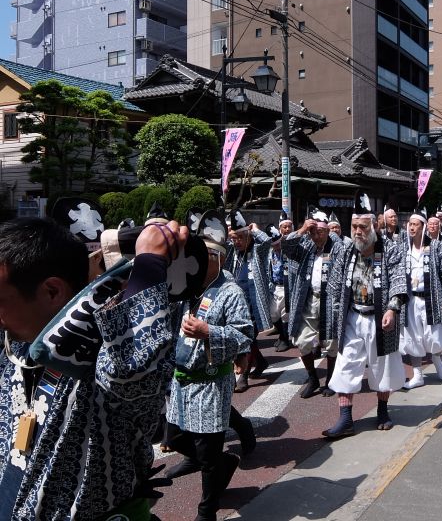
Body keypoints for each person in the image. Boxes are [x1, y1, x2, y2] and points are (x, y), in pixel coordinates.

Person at [0, 217, 187, 520]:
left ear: (52, 291)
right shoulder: (15, 346)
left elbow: (133, 369)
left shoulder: (103, 352)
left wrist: (149, 264)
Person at [163, 211, 253, 521]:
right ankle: (218, 462)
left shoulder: (230, 292)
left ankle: (207, 511)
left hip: (211, 383)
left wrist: (208, 332)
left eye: (201, 257)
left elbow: (244, 335)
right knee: (173, 438)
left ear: (216, 259)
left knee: (209, 454)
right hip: (181, 379)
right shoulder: (186, 286)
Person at [322, 195, 407, 438]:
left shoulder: (390, 249)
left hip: (380, 318)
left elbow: (399, 281)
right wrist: (332, 316)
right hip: (352, 317)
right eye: (354, 227)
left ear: (375, 226)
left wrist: (392, 308)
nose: (358, 232)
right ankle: (345, 419)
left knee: (383, 367)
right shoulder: (347, 250)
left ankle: (382, 410)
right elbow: (334, 285)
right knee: (346, 364)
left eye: (363, 227)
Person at [282, 209, 338, 398]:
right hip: (309, 299)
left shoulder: (337, 247)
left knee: (331, 343)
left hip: (331, 301)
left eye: (320, 232)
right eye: (313, 232)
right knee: (303, 341)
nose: (316, 236)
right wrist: (301, 231)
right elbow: (286, 248)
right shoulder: (306, 246)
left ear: (327, 231)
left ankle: (330, 380)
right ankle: (313, 378)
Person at [400, 208, 442, 389]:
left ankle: (436, 358)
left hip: (432, 298)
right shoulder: (403, 248)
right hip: (410, 300)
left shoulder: (436, 246)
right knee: (413, 337)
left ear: (423, 227)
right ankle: (417, 375)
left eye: (415, 225)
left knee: (435, 336)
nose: (412, 228)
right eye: (410, 224)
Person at [226, 211, 276, 392]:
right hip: (237, 304)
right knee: (247, 339)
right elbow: (220, 245)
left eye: (241, 237)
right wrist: (228, 233)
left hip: (254, 303)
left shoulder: (257, 250)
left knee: (246, 338)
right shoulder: (233, 252)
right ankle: (260, 362)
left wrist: (254, 230)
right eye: (234, 238)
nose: (237, 241)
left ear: (248, 235)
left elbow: (267, 241)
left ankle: (243, 376)